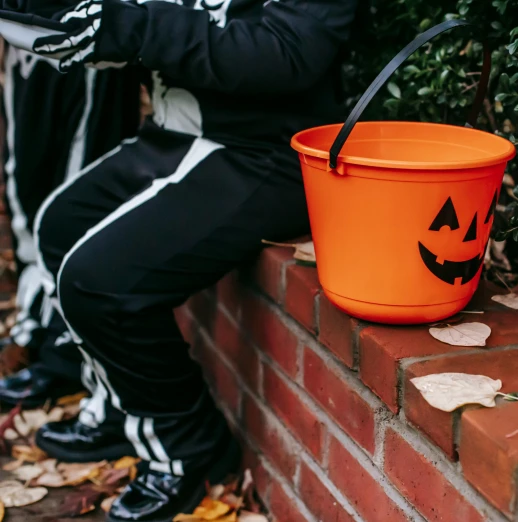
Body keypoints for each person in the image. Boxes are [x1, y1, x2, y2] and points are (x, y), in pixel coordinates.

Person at [0, 0, 359, 519]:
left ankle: (187, 449)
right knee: (60, 223)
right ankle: (121, 411)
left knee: (98, 282)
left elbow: (291, 52)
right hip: (175, 133)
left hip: (262, 152)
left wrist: (131, 27)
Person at [0, 38, 141, 406]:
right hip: (26, 28)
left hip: (85, 32)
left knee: (74, 186)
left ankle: (64, 347)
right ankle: (34, 322)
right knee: (25, 175)